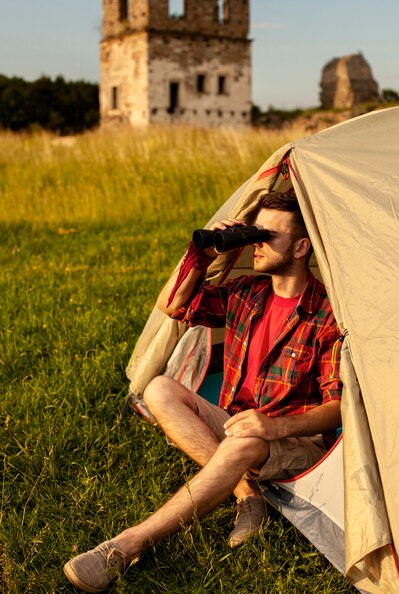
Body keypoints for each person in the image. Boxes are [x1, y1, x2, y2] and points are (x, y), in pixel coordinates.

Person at [64, 191, 343, 592]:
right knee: (160, 388)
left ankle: (125, 546)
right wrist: (202, 255)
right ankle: (247, 493)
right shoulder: (248, 292)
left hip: (295, 440)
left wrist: (275, 427)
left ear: (301, 247)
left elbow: (338, 407)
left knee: (246, 439)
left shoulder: (326, 314)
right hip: (237, 423)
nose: (256, 244)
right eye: (253, 233)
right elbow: (173, 306)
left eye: (266, 235)